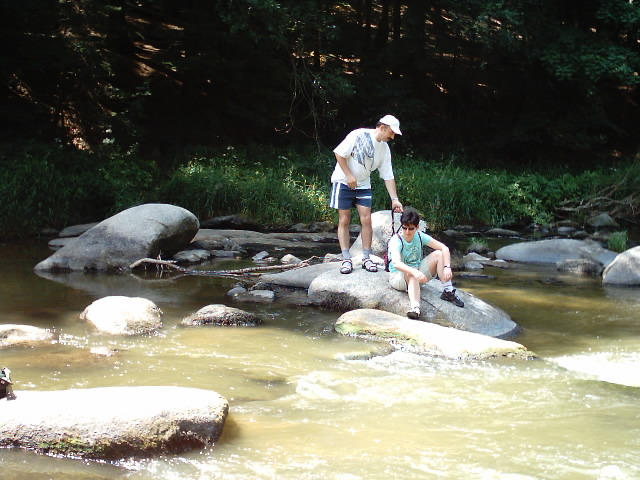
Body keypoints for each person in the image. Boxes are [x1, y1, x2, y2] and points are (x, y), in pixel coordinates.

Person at [329, 114, 404, 274]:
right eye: (391, 132)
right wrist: (349, 175)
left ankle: (366, 258)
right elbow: (339, 153)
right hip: (342, 181)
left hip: (363, 185)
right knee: (344, 219)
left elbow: (388, 175)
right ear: (382, 127)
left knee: (366, 220)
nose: (393, 136)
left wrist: (395, 199)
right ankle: (346, 259)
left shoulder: (384, 149)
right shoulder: (358, 134)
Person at [387, 207, 464, 318]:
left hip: (418, 274)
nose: (407, 232)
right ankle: (415, 308)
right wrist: (414, 271)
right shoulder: (396, 240)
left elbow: (444, 248)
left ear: (417, 227)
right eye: (404, 228)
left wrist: (447, 267)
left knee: (438, 254)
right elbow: (396, 263)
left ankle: (448, 291)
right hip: (398, 277)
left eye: (411, 229)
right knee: (411, 273)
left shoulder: (419, 236)